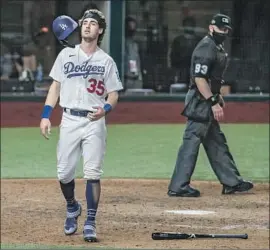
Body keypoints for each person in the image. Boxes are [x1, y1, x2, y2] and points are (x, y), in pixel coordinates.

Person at [39, 10, 123, 242]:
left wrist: (105, 109)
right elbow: (55, 87)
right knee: (64, 172)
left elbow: (114, 94)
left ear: (100, 30)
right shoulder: (66, 55)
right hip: (69, 120)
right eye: (84, 22)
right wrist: (46, 115)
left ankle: (90, 222)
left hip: (94, 121)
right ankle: (72, 206)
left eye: (92, 23)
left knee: (92, 173)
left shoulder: (106, 61)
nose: (87, 26)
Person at [167, 14, 253, 197]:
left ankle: (231, 182)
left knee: (215, 141)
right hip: (200, 100)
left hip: (206, 98)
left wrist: (217, 94)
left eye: (227, 30)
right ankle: (178, 186)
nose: (225, 32)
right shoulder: (206, 47)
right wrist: (213, 101)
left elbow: (212, 77)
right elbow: (199, 79)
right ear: (212, 27)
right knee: (191, 141)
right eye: (222, 29)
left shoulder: (216, 46)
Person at [170, 16, 201, 84]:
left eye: (191, 25)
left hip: (196, 71)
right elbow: (173, 57)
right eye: (187, 25)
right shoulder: (178, 40)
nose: (189, 26)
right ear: (183, 26)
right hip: (181, 71)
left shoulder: (200, 41)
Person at [124, 16, 143, 90]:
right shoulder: (122, 44)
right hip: (126, 78)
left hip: (136, 78)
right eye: (130, 27)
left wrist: (139, 77)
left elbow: (136, 60)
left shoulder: (135, 44)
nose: (132, 29)